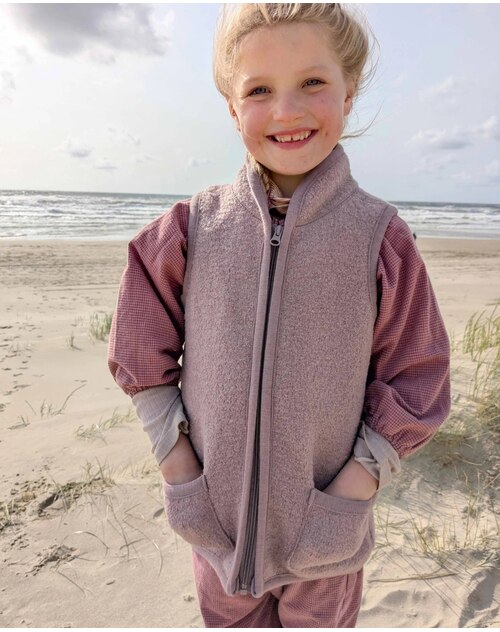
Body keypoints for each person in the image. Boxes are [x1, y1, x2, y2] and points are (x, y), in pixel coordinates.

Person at [108, 4, 450, 627]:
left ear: (349, 93)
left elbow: (417, 374)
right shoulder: (193, 227)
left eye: (312, 82)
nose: (287, 111)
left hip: (327, 541)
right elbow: (139, 346)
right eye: (259, 90)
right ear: (232, 108)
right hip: (215, 530)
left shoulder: (379, 237)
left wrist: (355, 486)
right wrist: (178, 465)